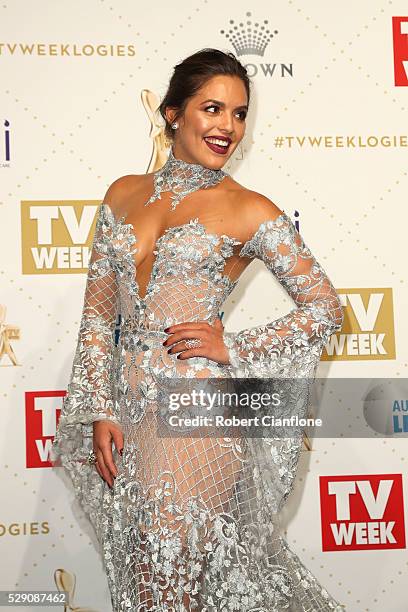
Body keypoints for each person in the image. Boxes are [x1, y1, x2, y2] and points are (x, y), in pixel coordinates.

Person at [51, 48, 345, 611]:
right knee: (144, 585)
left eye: (238, 114)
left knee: (168, 583)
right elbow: (98, 315)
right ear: (172, 113)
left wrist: (232, 345)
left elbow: (325, 308)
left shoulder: (248, 209)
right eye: (212, 108)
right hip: (129, 415)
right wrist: (101, 408)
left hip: (196, 414)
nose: (227, 127)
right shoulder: (121, 193)